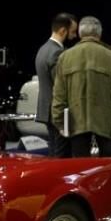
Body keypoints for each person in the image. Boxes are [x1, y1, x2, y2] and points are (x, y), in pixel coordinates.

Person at [51, 15, 111, 157]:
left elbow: (58, 94)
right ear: (99, 33)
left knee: (81, 167)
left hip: (76, 123)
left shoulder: (65, 57)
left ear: (80, 33)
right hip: (106, 123)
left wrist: (60, 121)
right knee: (107, 165)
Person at [35, 12, 77, 156]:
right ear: (62, 31)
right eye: (72, 32)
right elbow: (61, 85)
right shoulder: (56, 52)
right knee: (60, 155)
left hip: (47, 110)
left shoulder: (43, 49)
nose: (75, 36)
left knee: (54, 152)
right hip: (57, 112)